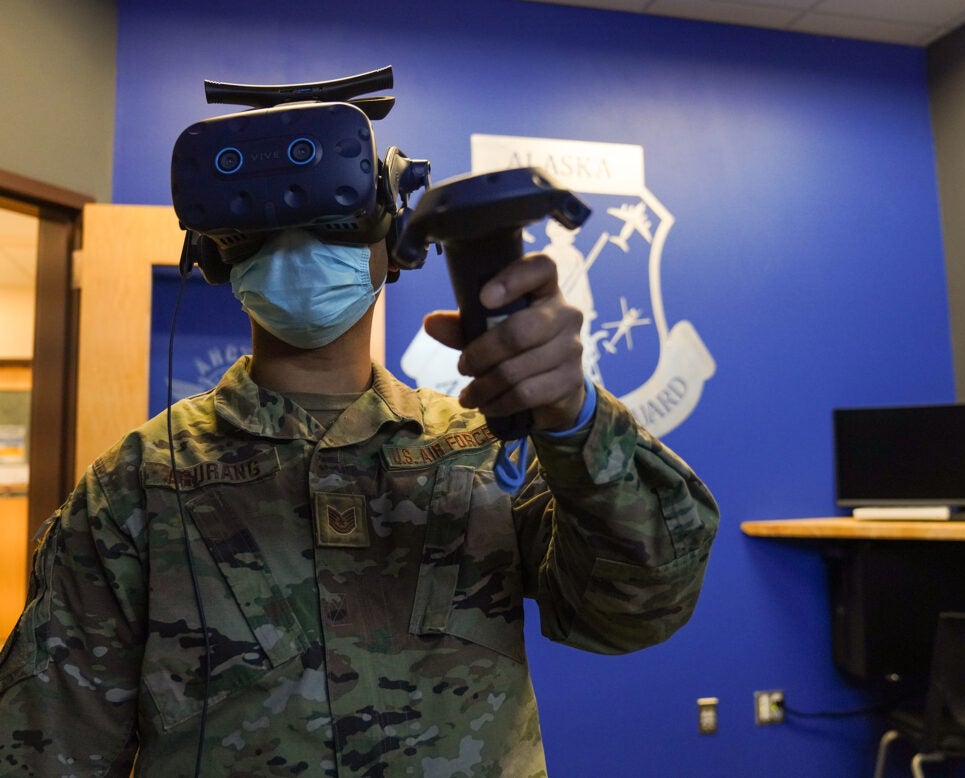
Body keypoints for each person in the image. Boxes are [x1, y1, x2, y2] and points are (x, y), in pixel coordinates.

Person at [0, 198, 719, 774]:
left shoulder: (480, 449)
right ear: (217, 250)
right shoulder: (138, 483)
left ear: (395, 240)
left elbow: (635, 610)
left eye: (334, 214)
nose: (299, 241)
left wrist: (575, 418)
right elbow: (48, 745)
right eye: (264, 218)